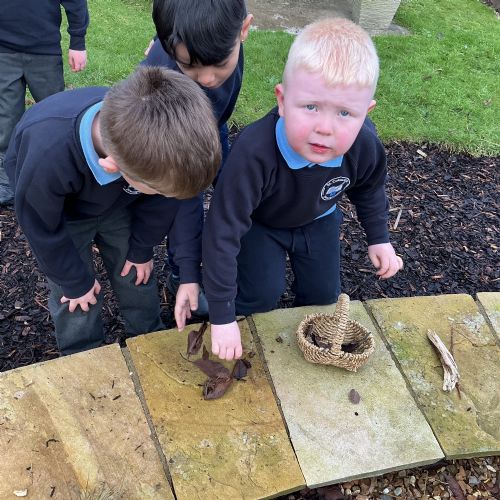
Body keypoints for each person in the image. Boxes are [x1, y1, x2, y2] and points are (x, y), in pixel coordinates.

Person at [202, 18, 404, 361]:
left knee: (322, 297)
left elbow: (370, 187)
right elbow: (222, 231)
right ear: (282, 101)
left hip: (318, 219)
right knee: (260, 296)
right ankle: (239, 333)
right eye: (311, 107)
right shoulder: (253, 154)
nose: (325, 128)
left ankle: (308, 354)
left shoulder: (364, 145)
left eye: (345, 113)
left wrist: (379, 238)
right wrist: (222, 317)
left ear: (365, 113)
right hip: (260, 224)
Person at [4, 66, 220, 355]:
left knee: (136, 271)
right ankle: (84, 353)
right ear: (113, 167)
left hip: (118, 201)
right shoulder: (47, 155)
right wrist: (74, 280)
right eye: (160, 190)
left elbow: (162, 201)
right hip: (60, 216)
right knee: (76, 295)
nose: (166, 196)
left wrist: (141, 248)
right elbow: (40, 225)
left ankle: (147, 337)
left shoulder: (148, 145)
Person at [142, 0, 253, 311]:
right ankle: (181, 275)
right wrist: (190, 273)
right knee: (185, 201)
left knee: (231, 188)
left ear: (244, 29)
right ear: (171, 48)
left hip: (213, 124)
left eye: (219, 63)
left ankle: (239, 255)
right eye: (190, 66)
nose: (206, 79)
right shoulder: (164, 85)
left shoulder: (221, 26)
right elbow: (186, 201)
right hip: (174, 137)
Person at [0, 0, 89, 205]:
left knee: (55, 120)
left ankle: (60, 177)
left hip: (44, 50)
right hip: (3, 50)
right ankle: (6, 180)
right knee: (5, 119)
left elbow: (76, 3)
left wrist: (78, 42)